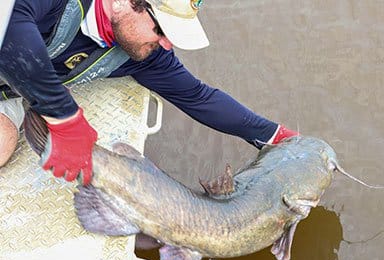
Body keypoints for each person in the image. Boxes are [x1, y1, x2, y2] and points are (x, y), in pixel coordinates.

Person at [0, 0, 298, 185]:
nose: (167, 44)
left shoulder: (146, 54)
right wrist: (63, 115)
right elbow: (10, 25)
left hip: (12, 89)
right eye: (160, 30)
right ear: (122, 2)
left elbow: (198, 97)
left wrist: (274, 136)